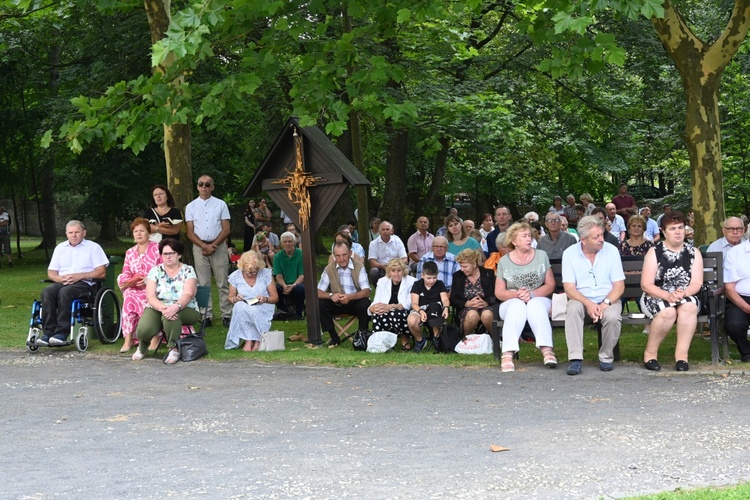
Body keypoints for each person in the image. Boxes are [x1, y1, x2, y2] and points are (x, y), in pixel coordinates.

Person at [640, 211, 703, 372]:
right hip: (656, 294)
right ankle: (650, 354)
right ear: (663, 231)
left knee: (689, 307)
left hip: (685, 293)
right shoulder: (655, 252)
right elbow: (646, 284)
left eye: (680, 228)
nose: (677, 232)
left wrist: (684, 293)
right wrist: (668, 295)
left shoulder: (693, 252)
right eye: (672, 228)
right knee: (668, 311)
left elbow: (697, 282)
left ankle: (682, 357)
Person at [562, 216, 625, 375]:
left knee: (612, 317)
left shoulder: (611, 251)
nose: (601, 239)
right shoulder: (569, 253)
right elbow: (569, 288)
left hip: (608, 298)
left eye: (602, 235)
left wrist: (604, 303)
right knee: (573, 309)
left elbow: (619, 286)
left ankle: (606, 357)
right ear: (583, 240)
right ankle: (575, 359)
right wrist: (589, 304)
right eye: (596, 237)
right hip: (581, 299)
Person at [494, 222, 557, 372]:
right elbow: (499, 292)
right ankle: (508, 354)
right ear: (514, 241)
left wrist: (532, 294)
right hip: (511, 301)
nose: (529, 239)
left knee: (535, 305)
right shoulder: (504, 261)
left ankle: (547, 351)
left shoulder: (541, 256)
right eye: (524, 236)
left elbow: (550, 285)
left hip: (538, 298)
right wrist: (516, 294)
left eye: (529, 235)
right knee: (517, 306)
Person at [36, 220, 109, 347]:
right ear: (66, 234)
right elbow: (51, 272)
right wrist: (60, 279)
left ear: (84, 233)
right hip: (63, 281)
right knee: (47, 291)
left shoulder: (93, 247)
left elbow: (101, 272)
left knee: (66, 292)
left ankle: (61, 333)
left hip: (86, 283)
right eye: (70, 233)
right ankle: (47, 333)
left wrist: (80, 276)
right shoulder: (60, 248)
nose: (73, 235)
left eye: (77, 232)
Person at [132, 239, 201, 363]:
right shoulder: (155, 271)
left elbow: (189, 293)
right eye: (165, 254)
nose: (168, 257)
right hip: (159, 306)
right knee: (144, 329)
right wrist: (163, 308)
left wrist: (176, 306)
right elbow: (150, 295)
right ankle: (142, 347)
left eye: (172, 253)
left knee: (171, 317)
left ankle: (173, 349)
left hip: (185, 307)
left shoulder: (188, 270)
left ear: (179, 255)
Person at [185, 174, 232, 328]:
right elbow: (190, 232)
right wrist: (204, 246)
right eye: (201, 184)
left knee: (222, 281)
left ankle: (227, 314)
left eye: (207, 184)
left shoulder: (221, 204)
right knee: (203, 283)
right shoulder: (191, 206)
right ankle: (206, 315)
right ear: (197, 186)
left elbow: (226, 229)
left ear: (212, 187)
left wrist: (213, 245)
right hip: (199, 247)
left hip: (218, 246)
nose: (204, 187)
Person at [117, 218, 163, 353]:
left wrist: (149, 279)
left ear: (148, 233)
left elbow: (163, 269)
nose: (138, 234)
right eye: (136, 231)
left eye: (142, 231)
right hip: (135, 287)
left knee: (146, 298)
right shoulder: (130, 252)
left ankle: (155, 337)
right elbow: (126, 271)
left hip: (154, 287)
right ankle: (128, 339)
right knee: (130, 297)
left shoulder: (157, 248)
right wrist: (128, 281)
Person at [317, 241, 372, 346]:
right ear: (333, 256)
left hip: (354, 302)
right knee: (320, 303)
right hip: (336, 303)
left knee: (365, 303)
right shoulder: (329, 269)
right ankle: (333, 336)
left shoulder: (359, 266)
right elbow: (318, 292)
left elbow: (366, 291)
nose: (341, 259)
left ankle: (362, 334)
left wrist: (350, 297)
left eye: (344, 255)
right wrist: (331, 295)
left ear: (350, 253)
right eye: (337, 256)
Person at [225, 250, 279, 351]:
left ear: (259, 268)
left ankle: (258, 340)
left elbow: (275, 298)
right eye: (247, 272)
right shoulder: (235, 276)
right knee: (239, 307)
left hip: (264, 305)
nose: (250, 274)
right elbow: (230, 296)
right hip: (245, 305)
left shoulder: (266, 274)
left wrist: (264, 299)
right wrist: (235, 299)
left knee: (254, 311)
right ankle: (249, 340)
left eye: (254, 272)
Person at [368, 258, 416, 350]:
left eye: (399, 270)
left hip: (404, 311)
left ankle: (404, 339)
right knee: (378, 313)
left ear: (404, 271)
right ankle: (381, 342)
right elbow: (376, 300)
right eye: (393, 271)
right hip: (386, 311)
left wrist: (391, 306)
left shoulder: (412, 281)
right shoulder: (382, 281)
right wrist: (372, 308)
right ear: (389, 272)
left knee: (396, 313)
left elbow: (409, 304)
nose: (396, 274)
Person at [408, 261, 450, 353]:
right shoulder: (417, 285)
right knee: (411, 321)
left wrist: (446, 307)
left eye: (434, 277)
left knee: (434, 308)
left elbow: (445, 299)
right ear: (422, 275)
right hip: (420, 309)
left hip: (436, 310)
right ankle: (420, 341)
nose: (432, 281)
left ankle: (437, 338)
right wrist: (420, 311)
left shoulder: (439, 284)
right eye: (429, 278)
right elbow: (414, 303)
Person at [451, 249, 495, 336]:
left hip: (486, 307)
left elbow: (495, 295)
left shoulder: (488, 274)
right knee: (472, 315)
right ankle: (466, 340)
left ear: (474, 264)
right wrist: (466, 303)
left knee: (487, 314)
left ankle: (495, 340)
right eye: (461, 266)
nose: (462, 269)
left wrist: (486, 302)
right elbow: (453, 298)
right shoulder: (457, 276)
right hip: (466, 309)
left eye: (465, 266)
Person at [723, 237, 750, 363]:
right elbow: (729, 287)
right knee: (734, 324)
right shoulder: (735, 253)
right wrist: (746, 308)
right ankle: (747, 352)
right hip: (740, 298)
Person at [272, 231, 305, 320]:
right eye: (285, 242)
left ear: (294, 242)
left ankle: (298, 313)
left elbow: (302, 275)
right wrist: (284, 285)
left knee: (300, 289)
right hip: (285, 284)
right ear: (281, 244)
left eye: (290, 241)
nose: (287, 244)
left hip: (298, 283)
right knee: (275, 288)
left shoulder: (301, 254)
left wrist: (293, 285)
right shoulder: (277, 256)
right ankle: (284, 312)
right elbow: (278, 275)